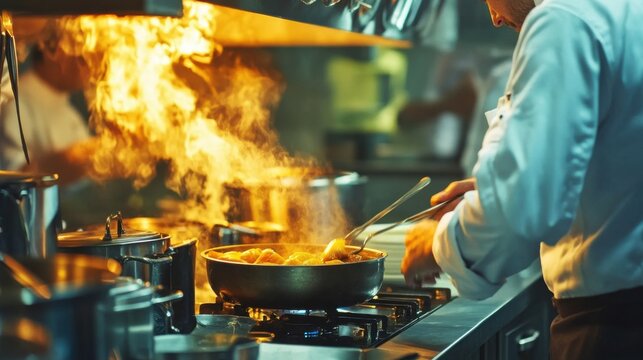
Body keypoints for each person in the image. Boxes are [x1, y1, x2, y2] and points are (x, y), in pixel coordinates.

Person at [400, 0, 643, 358]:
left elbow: (519, 211)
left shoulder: (564, 19)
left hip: (613, 331)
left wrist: (439, 241)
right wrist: (494, 191)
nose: (494, 17)